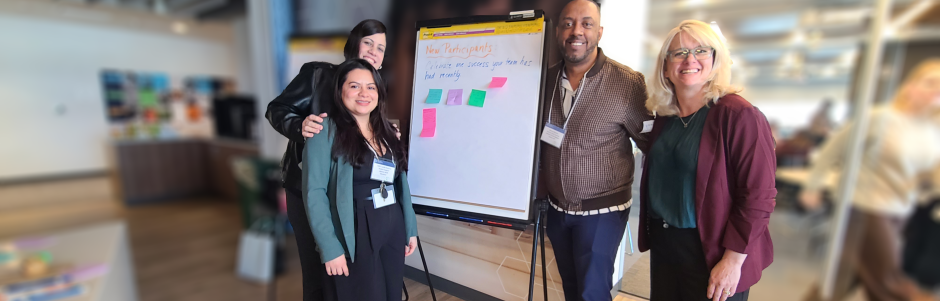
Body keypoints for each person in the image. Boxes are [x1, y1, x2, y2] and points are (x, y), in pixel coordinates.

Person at [638, 20, 777, 301]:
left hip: (714, 249)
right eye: (678, 53)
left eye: (701, 50)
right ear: (666, 67)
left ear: (715, 61)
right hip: (666, 245)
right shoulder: (665, 117)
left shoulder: (739, 116)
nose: (690, 59)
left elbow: (758, 197)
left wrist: (733, 261)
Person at [264, 19, 388, 301]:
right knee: (319, 273)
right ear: (353, 44)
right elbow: (277, 109)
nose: (373, 51)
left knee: (348, 274)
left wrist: (387, 134)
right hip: (308, 192)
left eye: (380, 48)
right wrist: (299, 126)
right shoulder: (318, 75)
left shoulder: (374, 90)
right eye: (368, 42)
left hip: (352, 198)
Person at [801, 59, 940, 301]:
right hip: (863, 204)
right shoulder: (878, 117)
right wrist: (813, 185)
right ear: (911, 86)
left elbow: (928, 175)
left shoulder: (932, 129)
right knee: (888, 281)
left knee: (843, 276)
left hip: (900, 209)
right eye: (930, 82)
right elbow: (832, 150)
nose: (936, 89)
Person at [539, 1, 651, 300]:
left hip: (602, 212)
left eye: (587, 24)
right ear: (558, 32)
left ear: (599, 32)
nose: (577, 31)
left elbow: (652, 144)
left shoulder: (627, 83)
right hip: (557, 210)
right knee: (572, 289)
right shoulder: (545, 80)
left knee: (592, 293)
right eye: (568, 23)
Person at [303, 59, 418, 301]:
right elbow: (314, 191)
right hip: (354, 229)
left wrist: (410, 228)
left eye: (371, 87)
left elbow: (401, 183)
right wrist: (330, 247)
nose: (364, 93)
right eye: (355, 86)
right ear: (340, 90)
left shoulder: (387, 130)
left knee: (391, 294)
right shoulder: (324, 130)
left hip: (391, 224)